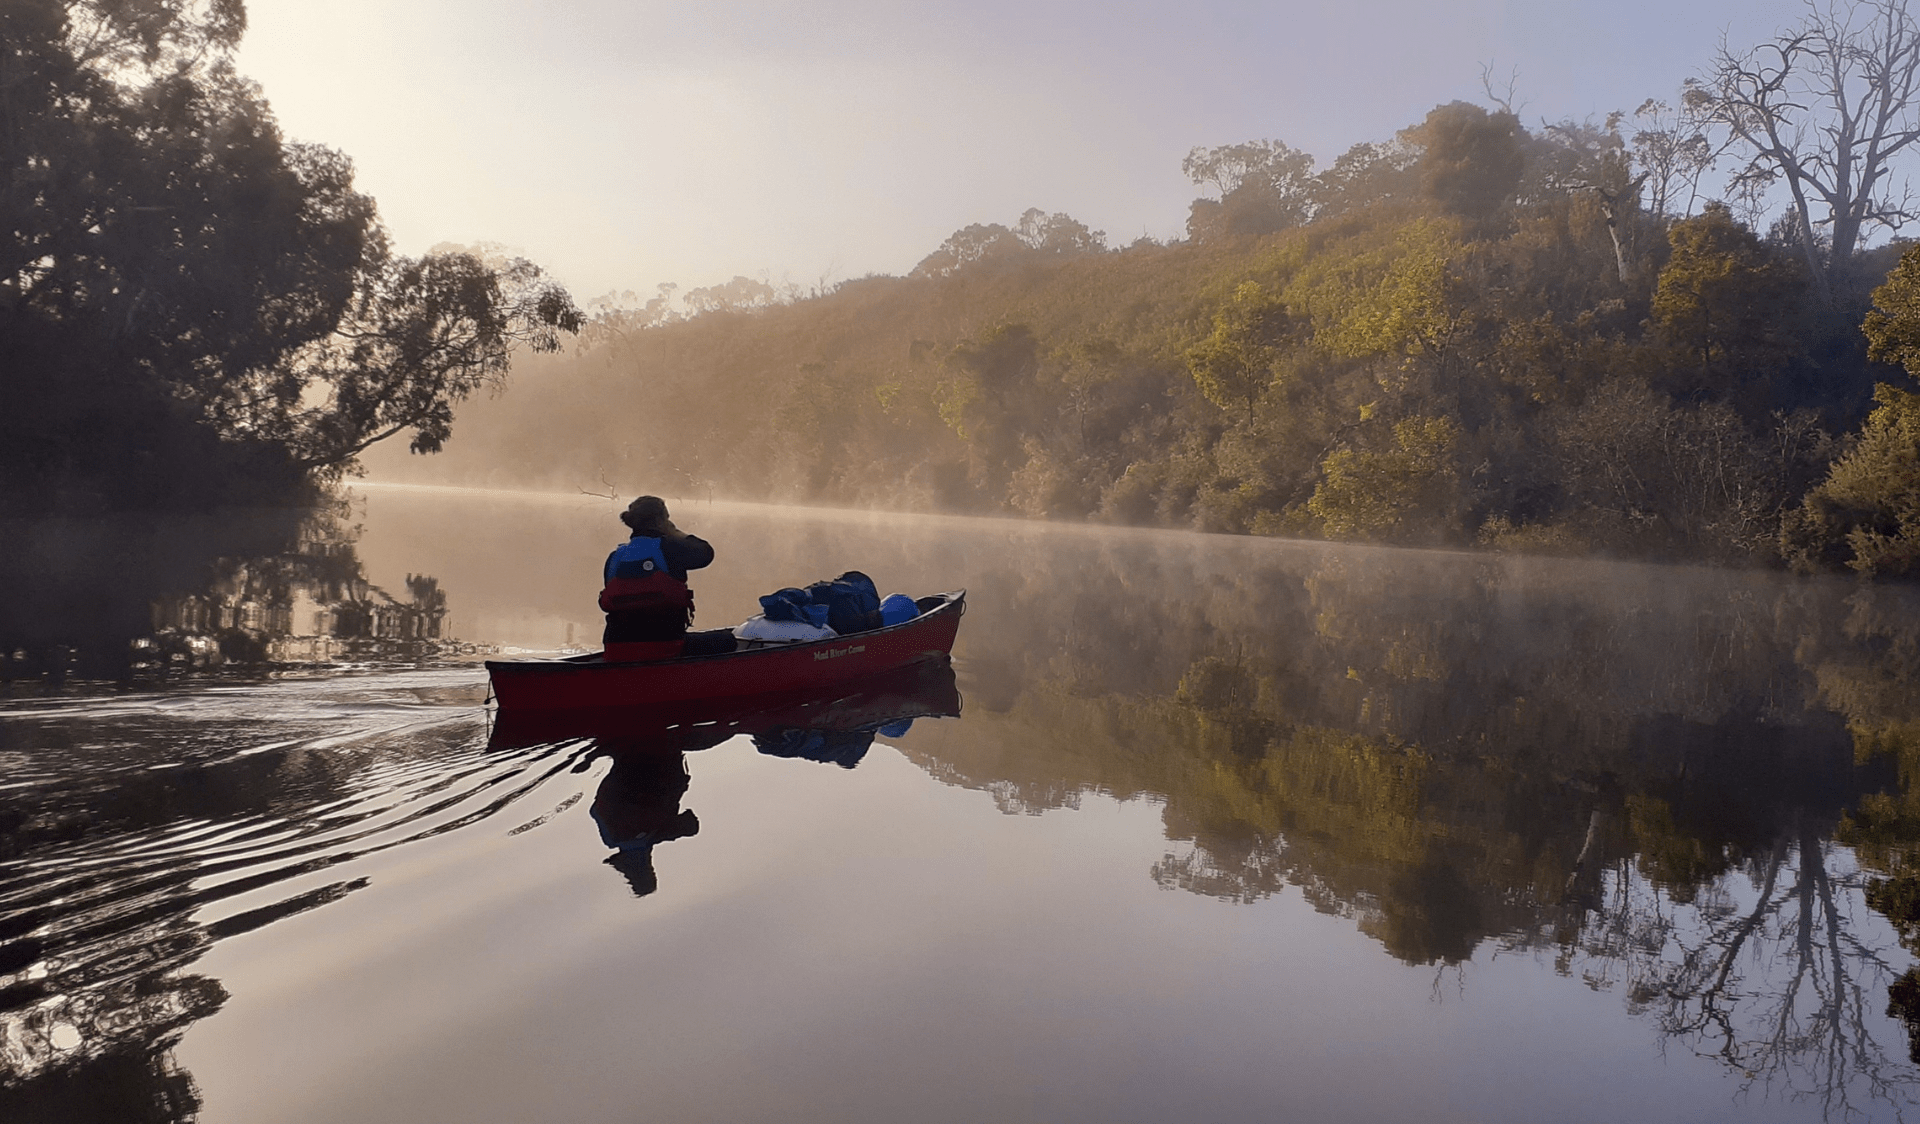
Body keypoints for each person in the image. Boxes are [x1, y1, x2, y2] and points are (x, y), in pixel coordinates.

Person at [599, 495, 734, 661]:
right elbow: (706, 553)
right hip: (667, 648)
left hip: (616, 651)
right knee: (729, 640)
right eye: (667, 518)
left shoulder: (614, 558)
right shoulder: (669, 548)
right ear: (659, 521)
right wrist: (674, 532)